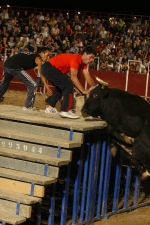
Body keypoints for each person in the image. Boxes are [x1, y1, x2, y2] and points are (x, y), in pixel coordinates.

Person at [40, 45, 96, 119]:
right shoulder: (76, 58)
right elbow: (73, 77)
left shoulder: (84, 64)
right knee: (68, 84)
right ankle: (66, 110)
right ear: (85, 54)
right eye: (91, 57)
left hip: (48, 68)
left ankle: (50, 107)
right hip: (48, 67)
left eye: (93, 58)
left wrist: (95, 88)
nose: (91, 60)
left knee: (63, 86)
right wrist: (83, 90)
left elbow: (87, 76)